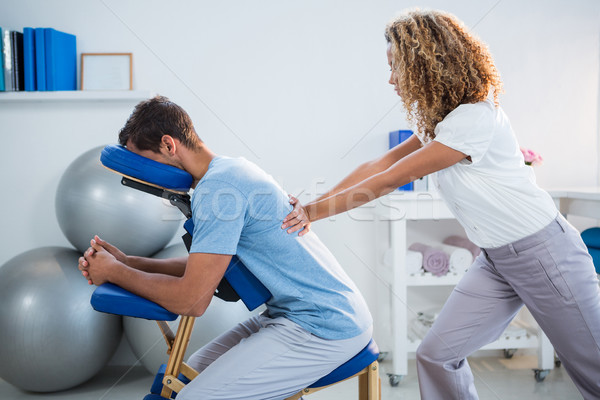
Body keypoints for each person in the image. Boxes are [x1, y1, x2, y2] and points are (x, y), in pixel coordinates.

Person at [281, 9, 600, 400]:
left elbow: (389, 180)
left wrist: (310, 215)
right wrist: (312, 204)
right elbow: (379, 164)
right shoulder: (442, 119)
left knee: (593, 369)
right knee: (436, 356)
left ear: (425, 64)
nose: (392, 80)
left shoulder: (473, 118)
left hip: (545, 253)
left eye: (396, 67)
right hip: (497, 259)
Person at [78, 96, 373, 400]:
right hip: (290, 314)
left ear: (169, 145)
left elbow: (192, 301)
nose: (143, 174)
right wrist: (129, 262)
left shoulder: (220, 188)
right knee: (186, 376)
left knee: (195, 397)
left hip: (324, 325)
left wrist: (114, 273)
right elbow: (208, 268)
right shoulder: (228, 171)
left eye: (143, 162)